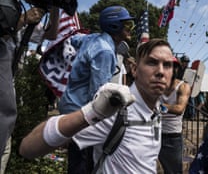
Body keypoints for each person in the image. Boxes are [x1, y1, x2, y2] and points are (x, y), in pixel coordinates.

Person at [19, 38, 174, 173]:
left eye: (167, 65)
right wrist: (90, 113)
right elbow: (28, 148)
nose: (160, 71)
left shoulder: (155, 108)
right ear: (134, 69)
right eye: (152, 62)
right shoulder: (117, 110)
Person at [55, 5, 135, 173]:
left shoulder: (92, 39)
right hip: (81, 112)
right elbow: (98, 95)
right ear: (114, 26)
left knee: (77, 158)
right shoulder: (104, 52)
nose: (131, 29)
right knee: (83, 163)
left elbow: (74, 39)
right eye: (127, 25)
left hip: (69, 104)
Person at [0, 0, 45, 167]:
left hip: (8, 84)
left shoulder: (20, 9)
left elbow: (50, 34)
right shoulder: (12, 10)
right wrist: (24, 20)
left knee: (5, 146)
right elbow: (3, 30)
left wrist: (55, 7)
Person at [158, 56, 191, 174]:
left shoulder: (183, 86)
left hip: (172, 137)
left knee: (173, 171)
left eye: (174, 66)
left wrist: (158, 106)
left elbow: (179, 109)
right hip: (153, 133)